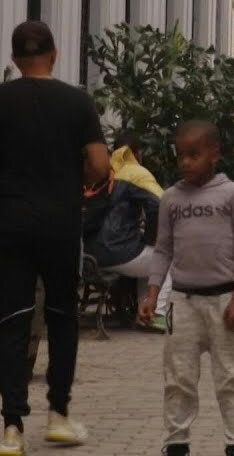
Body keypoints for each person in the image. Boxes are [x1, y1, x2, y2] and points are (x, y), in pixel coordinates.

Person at [0, 21, 109, 456]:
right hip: (61, 224)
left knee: (13, 319)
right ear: (54, 53)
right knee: (62, 316)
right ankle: (58, 415)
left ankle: (11, 429)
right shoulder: (78, 103)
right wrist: (70, 183)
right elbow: (99, 163)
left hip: (12, 223)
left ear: (15, 58)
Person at [140, 121, 234, 456]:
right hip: (182, 301)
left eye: (194, 154)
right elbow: (163, 249)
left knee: (231, 376)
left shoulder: (232, 194)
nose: (186, 162)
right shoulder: (172, 198)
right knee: (178, 376)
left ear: (214, 154)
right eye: (181, 156)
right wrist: (152, 295)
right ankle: (176, 441)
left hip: (222, 300)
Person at [84, 135, 172, 330]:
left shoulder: (104, 170)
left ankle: (144, 310)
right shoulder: (136, 172)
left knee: (148, 261)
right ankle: (156, 314)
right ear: (137, 153)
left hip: (88, 252)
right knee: (164, 258)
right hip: (119, 251)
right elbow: (161, 203)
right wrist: (153, 238)